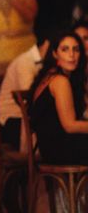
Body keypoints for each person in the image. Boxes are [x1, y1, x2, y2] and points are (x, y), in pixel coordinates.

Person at [28, 31, 88, 165]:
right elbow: (70, 126)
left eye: (76, 49)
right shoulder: (60, 81)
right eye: (65, 49)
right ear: (55, 53)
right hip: (59, 150)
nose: (71, 55)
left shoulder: (50, 75)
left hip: (52, 148)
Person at [0, 36, 48, 150]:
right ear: (46, 43)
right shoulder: (26, 62)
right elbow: (29, 99)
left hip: (25, 118)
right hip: (10, 120)